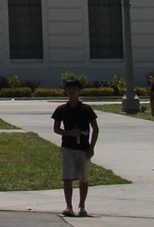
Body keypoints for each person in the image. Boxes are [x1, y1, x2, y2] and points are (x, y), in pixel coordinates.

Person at [52, 79, 99, 217]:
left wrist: (91, 147)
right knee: (67, 177)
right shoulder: (61, 109)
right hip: (67, 147)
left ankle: (82, 206)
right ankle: (69, 206)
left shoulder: (86, 109)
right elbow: (56, 128)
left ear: (79, 91)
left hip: (83, 148)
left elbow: (95, 129)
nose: (72, 91)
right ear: (66, 91)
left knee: (83, 178)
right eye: (69, 88)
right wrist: (68, 133)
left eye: (75, 88)